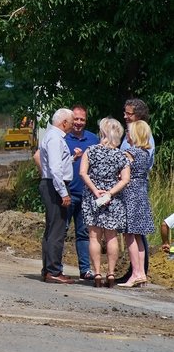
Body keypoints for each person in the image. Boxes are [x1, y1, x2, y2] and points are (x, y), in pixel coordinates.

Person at [79, 117, 130, 288]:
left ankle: (97, 273)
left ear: (102, 132)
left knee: (94, 236)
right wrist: (110, 192)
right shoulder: (121, 155)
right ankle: (111, 273)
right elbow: (125, 179)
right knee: (111, 237)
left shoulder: (90, 151)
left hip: (93, 197)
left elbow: (83, 173)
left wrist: (95, 190)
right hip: (112, 199)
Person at [118, 98, 154, 283]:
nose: (125, 116)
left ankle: (137, 272)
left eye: (129, 113)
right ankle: (139, 273)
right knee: (137, 233)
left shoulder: (132, 152)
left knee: (131, 233)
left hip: (131, 193)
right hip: (139, 191)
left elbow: (120, 168)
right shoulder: (144, 151)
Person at [37, 108, 75, 284]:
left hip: (52, 184)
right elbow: (55, 168)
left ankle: (49, 269)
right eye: (72, 122)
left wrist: (72, 159)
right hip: (54, 186)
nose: (73, 125)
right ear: (64, 122)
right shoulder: (55, 138)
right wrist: (63, 192)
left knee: (52, 228)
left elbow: (58, 164)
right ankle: (53, 270)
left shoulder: (53, 137)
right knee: (57, 230)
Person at [64, 104, 99, 280]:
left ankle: (85, 269)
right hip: (67, 193)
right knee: (61, 231)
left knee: (84, 233)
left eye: (82, 119)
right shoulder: (63, 137)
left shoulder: (93, 139)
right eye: (76, 119)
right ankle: (55, 268)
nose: (78, 122)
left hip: (86, 194)